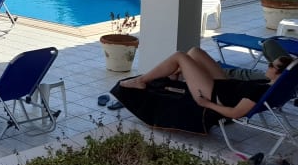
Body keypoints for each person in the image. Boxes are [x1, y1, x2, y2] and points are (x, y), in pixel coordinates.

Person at [121, 50, 294, 119]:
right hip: (225, 85)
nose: (268, 65)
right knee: (194, 52)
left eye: (271, 65)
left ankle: (141, 81)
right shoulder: (270, 84)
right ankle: (173, 75)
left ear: (279, 73)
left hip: (213, 94)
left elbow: (235, 113)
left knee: (180, 56)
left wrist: (207, 104)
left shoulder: (259, 90)